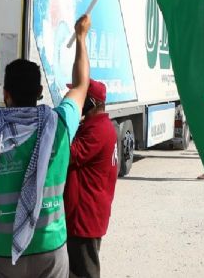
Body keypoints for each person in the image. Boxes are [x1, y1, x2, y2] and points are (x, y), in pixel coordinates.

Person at [0, 16, 92, 277]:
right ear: (39, 91)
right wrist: (81, 38)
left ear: (6, 93)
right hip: (51, 250)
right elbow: (81, 85)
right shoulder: (58, 125)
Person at [65, 79, 118, 278]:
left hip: (84, 216)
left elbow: (67, 154)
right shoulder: (96, 125)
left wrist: (63, 122)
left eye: (79, 96)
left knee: (84, 271)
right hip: (87, 213)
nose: (75, 100)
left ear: (92, 102)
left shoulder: (97, 129)